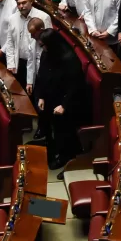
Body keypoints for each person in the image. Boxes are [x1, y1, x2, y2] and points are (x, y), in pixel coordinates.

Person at [33, 29, 87, 172]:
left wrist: (64, 105)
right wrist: (41, 96)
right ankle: (52, 146)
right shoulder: (47, 53)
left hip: (68, 101)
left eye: (44, 45)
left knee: (63, 125)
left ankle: (66, 155)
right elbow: (42, 75)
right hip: (51, 95)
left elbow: (75, 86)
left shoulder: (69, 58)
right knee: (45, 117)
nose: (43, 48)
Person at [3, 0, 52, 90]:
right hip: (19, 63)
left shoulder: (43, 17)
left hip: (36, 63)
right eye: (19, 4)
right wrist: (11, 63)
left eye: (24, 3)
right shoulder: (12, 18)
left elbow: (48, 43)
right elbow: (10, 42)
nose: (21, 6)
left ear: (31, 1)